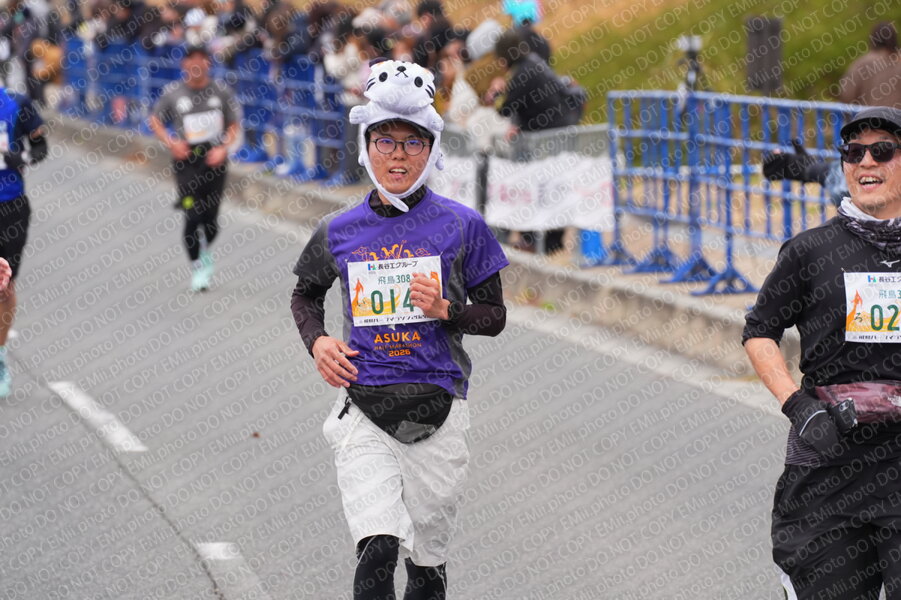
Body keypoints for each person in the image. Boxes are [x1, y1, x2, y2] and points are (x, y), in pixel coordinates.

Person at [291, 59, 508, 600]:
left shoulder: (462, 225)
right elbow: (305, 294)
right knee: (378, 547)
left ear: (430, 149)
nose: (398, 156)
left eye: (412, 143)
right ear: (366, 146)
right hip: (364, 407)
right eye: (384, 141)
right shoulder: (338, 229)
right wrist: (318, 341)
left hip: (439, 408)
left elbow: (495, 316)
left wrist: (448, 310)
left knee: (426, 571)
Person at [744, 106, 901, 599]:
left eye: (882, 151)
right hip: (830, 467)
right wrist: (797, 405)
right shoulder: (810, 250)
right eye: (853, 152)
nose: (865, 162)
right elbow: (759, 331)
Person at [148, 43, 240, 292]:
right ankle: (198, 266)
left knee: (211, 220)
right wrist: (171, 143)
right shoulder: (173, 92)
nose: (197, 64)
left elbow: (233, 124)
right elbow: (155, 119)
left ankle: (205, 251)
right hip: (186, 162)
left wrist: (223, 149)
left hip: (214, 160)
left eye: (202, 59)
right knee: (192, 215)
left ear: (208, 63)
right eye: (192, 59)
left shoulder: (221, 92)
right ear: (184, 64)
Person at [0, 85, 47, 397]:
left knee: (5, 285)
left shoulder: (16, 103)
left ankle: (0, 355)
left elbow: (41, 147)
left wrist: (20, 157)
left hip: (11, 206)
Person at [839, 21, 901, 108]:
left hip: (867, 115)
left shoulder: (861, 63)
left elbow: (847, 95)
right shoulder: (898, 62)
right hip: (896, 116)